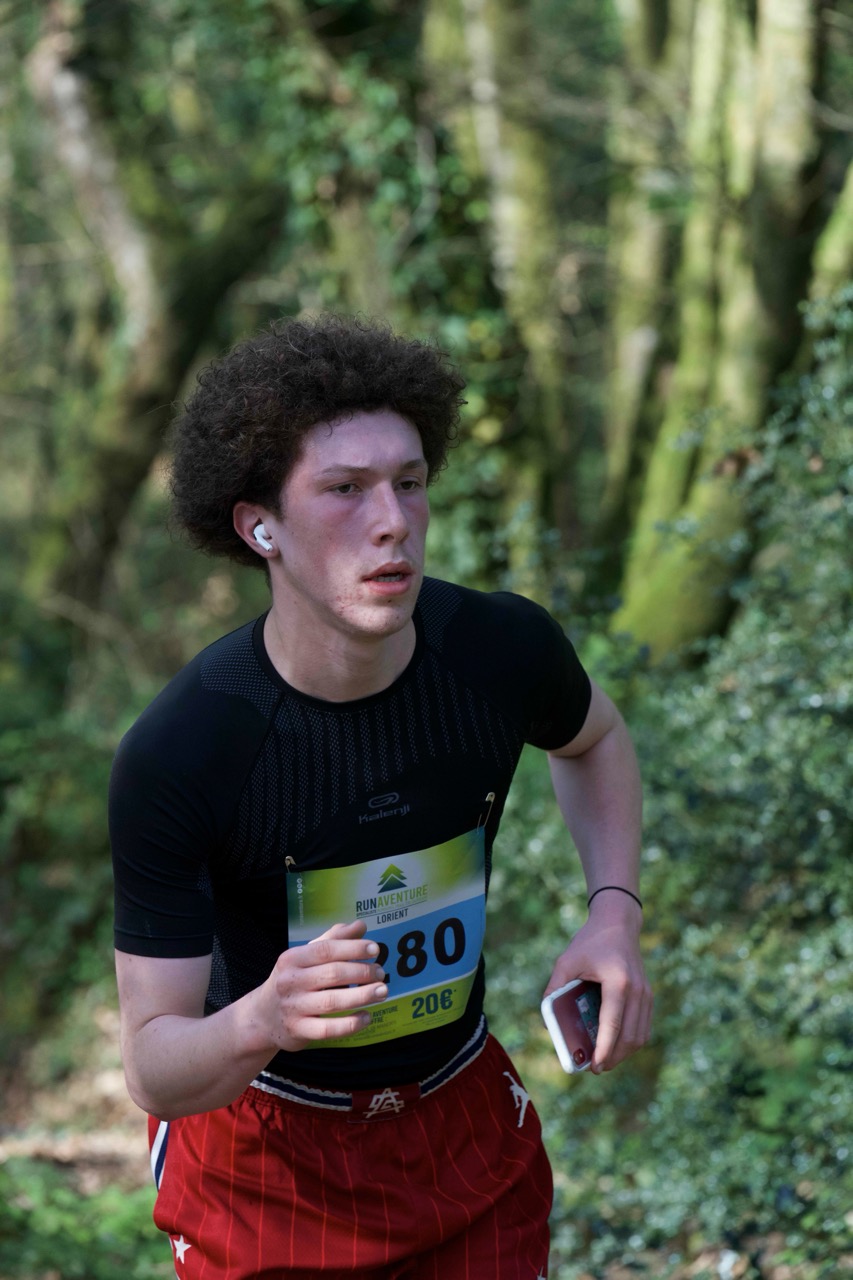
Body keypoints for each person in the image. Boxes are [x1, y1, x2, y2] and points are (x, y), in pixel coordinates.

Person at [110, 314, 652, 1280]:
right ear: (259, 526)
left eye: (409, 482)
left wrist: (612, 913)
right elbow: (154, 1065)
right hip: (264, 1159)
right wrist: (263, 1018)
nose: (392, 519)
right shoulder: (185, 749)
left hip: (461, 1130)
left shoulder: (497, 651)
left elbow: (595, 739)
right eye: (344, 489)